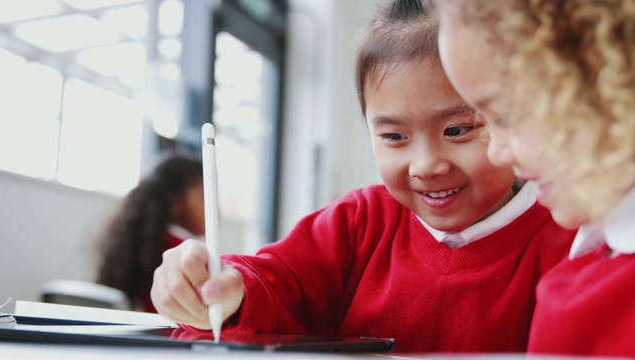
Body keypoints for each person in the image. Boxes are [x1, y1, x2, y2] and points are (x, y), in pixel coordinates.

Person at [150, 0, 575, 353]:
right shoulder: (358, 224)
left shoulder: (568, 238)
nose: (425, 165)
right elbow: (271, 281)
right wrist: (219, 289)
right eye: (394, 136)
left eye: (458, 130)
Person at [434, 0, 635, 357]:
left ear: (602, 78)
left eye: (507, 117)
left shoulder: (610, 299)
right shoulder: (585, 272)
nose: (495, 152)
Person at [96, 152, 205, 313]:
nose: (215, 208)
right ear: (175, 202)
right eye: (204, 197)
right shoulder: (187, 254)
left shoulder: (142, 245)